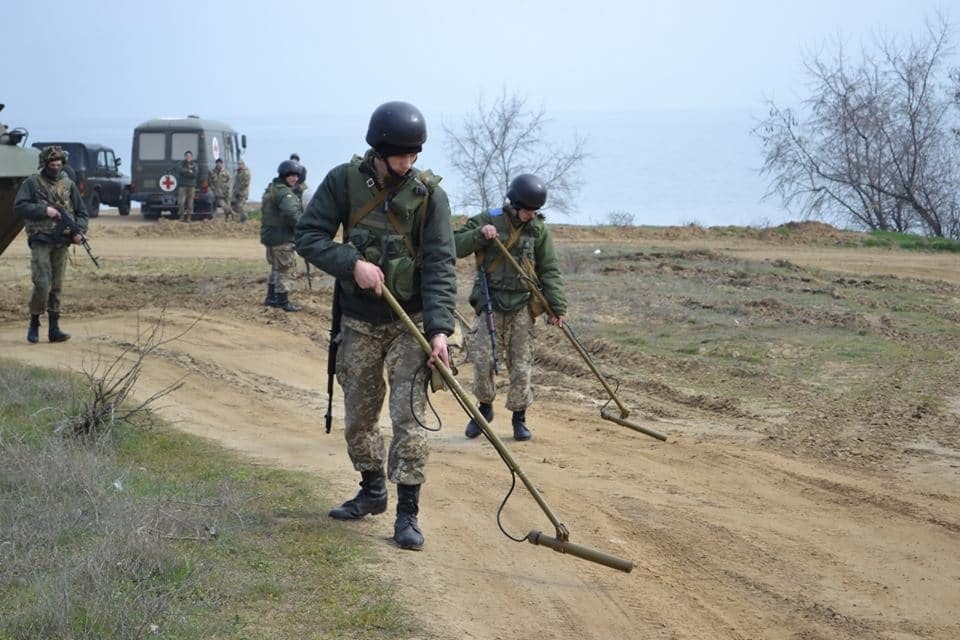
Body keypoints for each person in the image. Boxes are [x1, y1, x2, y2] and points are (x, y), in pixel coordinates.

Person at [294, 101, 456, 551]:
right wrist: (352, 264)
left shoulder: (430, 197)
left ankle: (408, 513)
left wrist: (440, 331)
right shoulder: (344, 183)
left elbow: (442, 265)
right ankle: (372, 490)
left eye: (414, 156)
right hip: (360, 321)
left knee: (411, 421)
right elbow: (307, 236)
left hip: (413, 324)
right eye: (400, 156)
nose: (408, 164)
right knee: (359, 420)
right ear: (379, 152)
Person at [454, 174, 567, 442]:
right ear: (514, 204)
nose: (531, 216)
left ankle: (519, 417)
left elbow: (549, 270)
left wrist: (557, 307)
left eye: (535, 211)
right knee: (482, 360)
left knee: (521, 365)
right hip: (489, 303)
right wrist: (479, 235)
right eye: (527, 210)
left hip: (521, 307)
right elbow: (456, 245)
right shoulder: (488, 218)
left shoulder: (538, 230)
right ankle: (483, 410)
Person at [14, 145, 89, 344]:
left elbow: (81, 213)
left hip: (61, 242)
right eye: (52, 164)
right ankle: (34, 322)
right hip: (41, 240)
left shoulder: (68, 184)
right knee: (42, 284)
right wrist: (44, 210)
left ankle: (54, 328)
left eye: (59, 164)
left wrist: (78, 232)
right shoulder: (32, 182)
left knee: (57, 286)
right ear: (44, 164)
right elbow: (20, 206)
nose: (56, 168)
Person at [260, 159, 304, 312]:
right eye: (292, 175)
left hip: (270, 236)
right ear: (284, 175)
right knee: (285, 269)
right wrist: (302, 227)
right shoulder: (285, 193)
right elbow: (291, 213)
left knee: (275, 268)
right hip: (281, 237)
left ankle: (271, 298)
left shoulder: (272, 188)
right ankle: (282, 301)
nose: (295, 178)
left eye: (297, 176)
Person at [175, 150, 198, 221]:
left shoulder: (194, 165)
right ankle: (181, 217)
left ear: (191, 157)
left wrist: (185, 173)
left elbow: (194, 174)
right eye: (187, 156)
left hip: (191, 186)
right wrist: (188, 171)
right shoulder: (181, 163)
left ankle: (189, 217)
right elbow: (179, 170)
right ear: (185, 157)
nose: (188, 157)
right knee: (181, 202)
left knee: (190, 202)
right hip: (182, 185)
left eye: (190, 156)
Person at [230, 158, 251, 222]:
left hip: (243, 193)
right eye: (238, 164)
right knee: (235, 206)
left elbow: (245, 183)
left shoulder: (246, 172)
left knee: (240, 206)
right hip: (237, 192)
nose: (239, 165)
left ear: (243, 164)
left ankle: (245, 217)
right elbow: (236, 182)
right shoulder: (239, 172)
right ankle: (241, 219)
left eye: (240, 164)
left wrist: (239, 190)